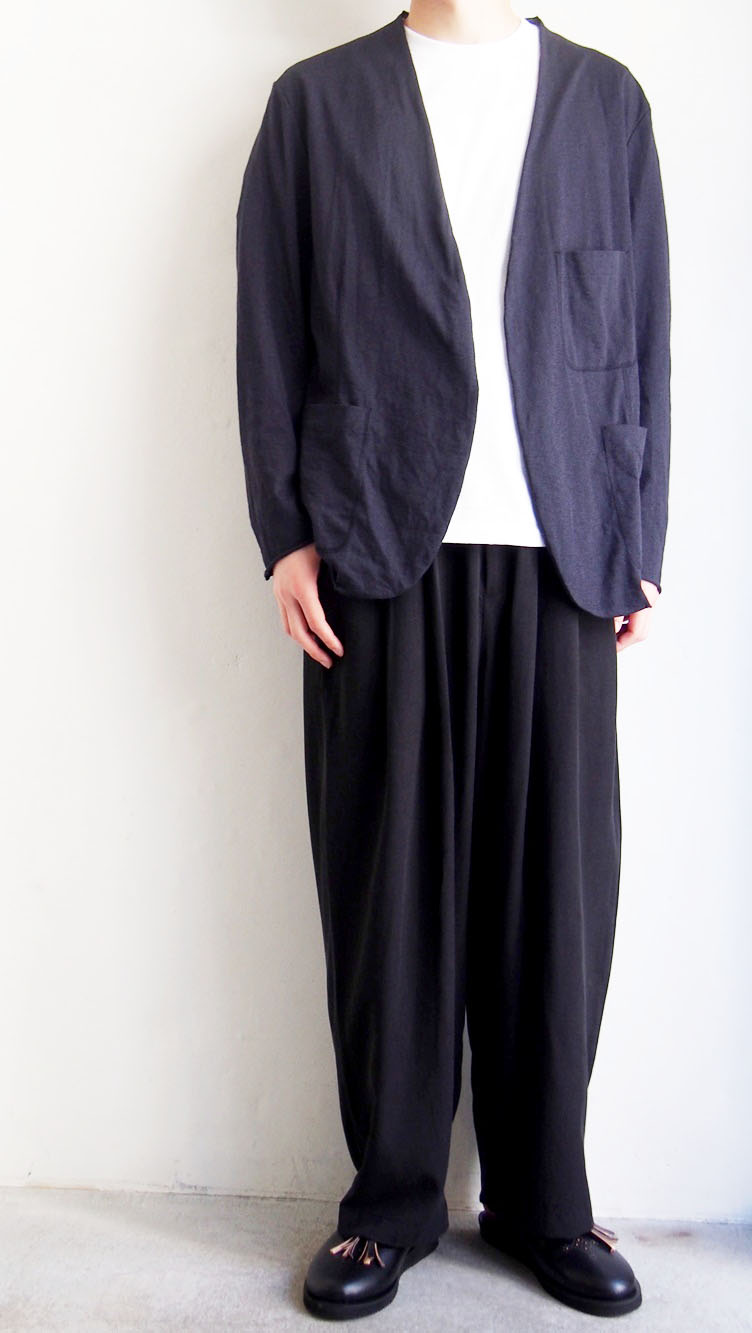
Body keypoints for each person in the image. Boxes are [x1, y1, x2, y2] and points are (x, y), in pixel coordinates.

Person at [236, 0, 671, 1321]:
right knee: (391, 892)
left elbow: (642, 326)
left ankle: (546, 1202)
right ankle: (389, 1204)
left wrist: (637, 531)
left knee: (559, 896)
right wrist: (284, 531)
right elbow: (270, 326)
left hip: (564, 549)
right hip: (374, 538)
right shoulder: (317, 106)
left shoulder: (607, 103)